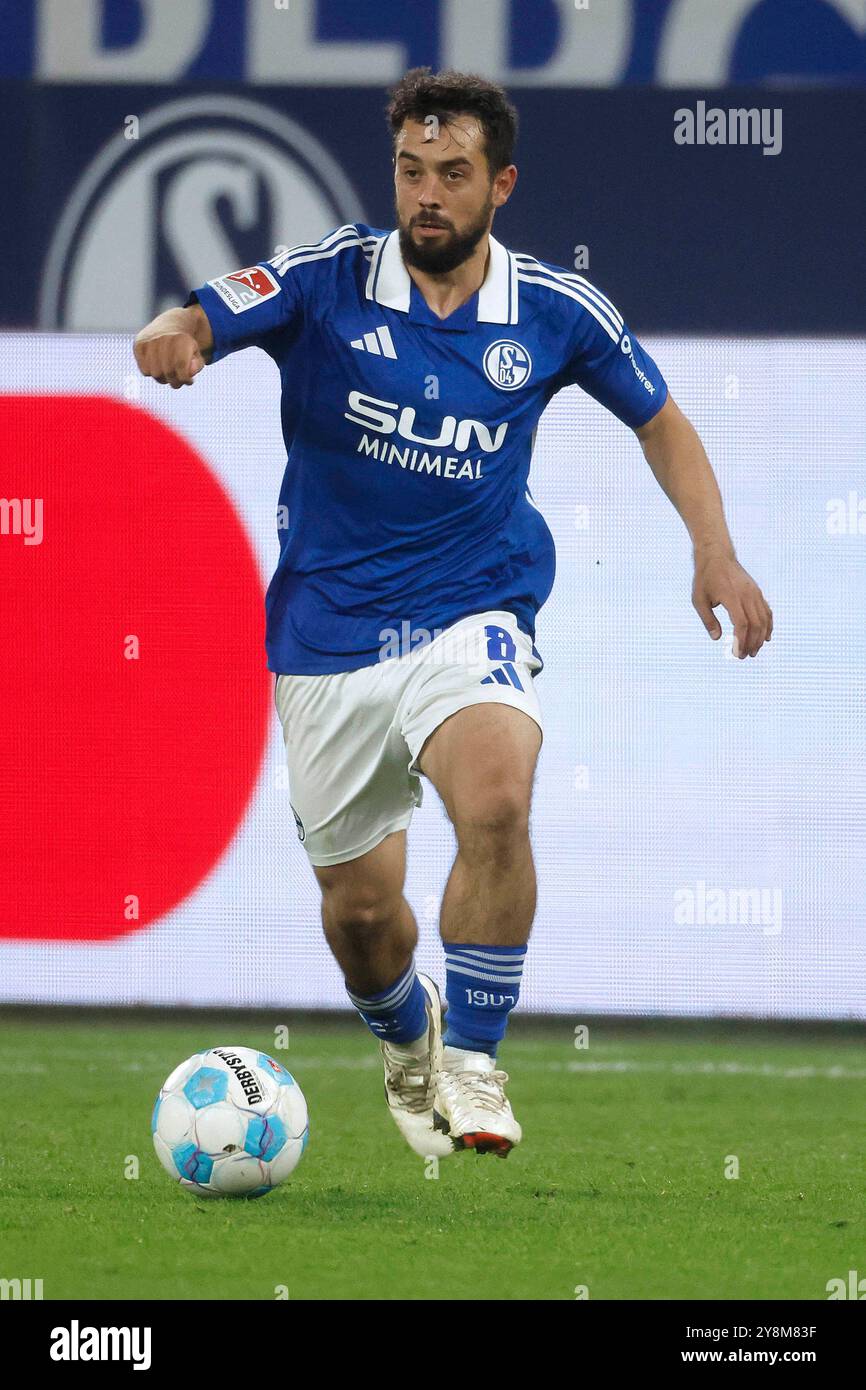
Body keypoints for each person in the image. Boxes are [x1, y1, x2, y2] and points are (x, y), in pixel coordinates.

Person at [133, 67, 773, 1161]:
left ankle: (473, 1058)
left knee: (495, 799)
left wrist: (712, 550)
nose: (426, 194)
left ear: (500, 184)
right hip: (327, 631)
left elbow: (659, 420)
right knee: (363, 917)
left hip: (473, 603)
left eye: (453, 174)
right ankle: (406, 1036)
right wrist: (178, 331)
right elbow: (207, 307)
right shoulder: (331, 276)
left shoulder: (556, 309)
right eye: (410, 170)